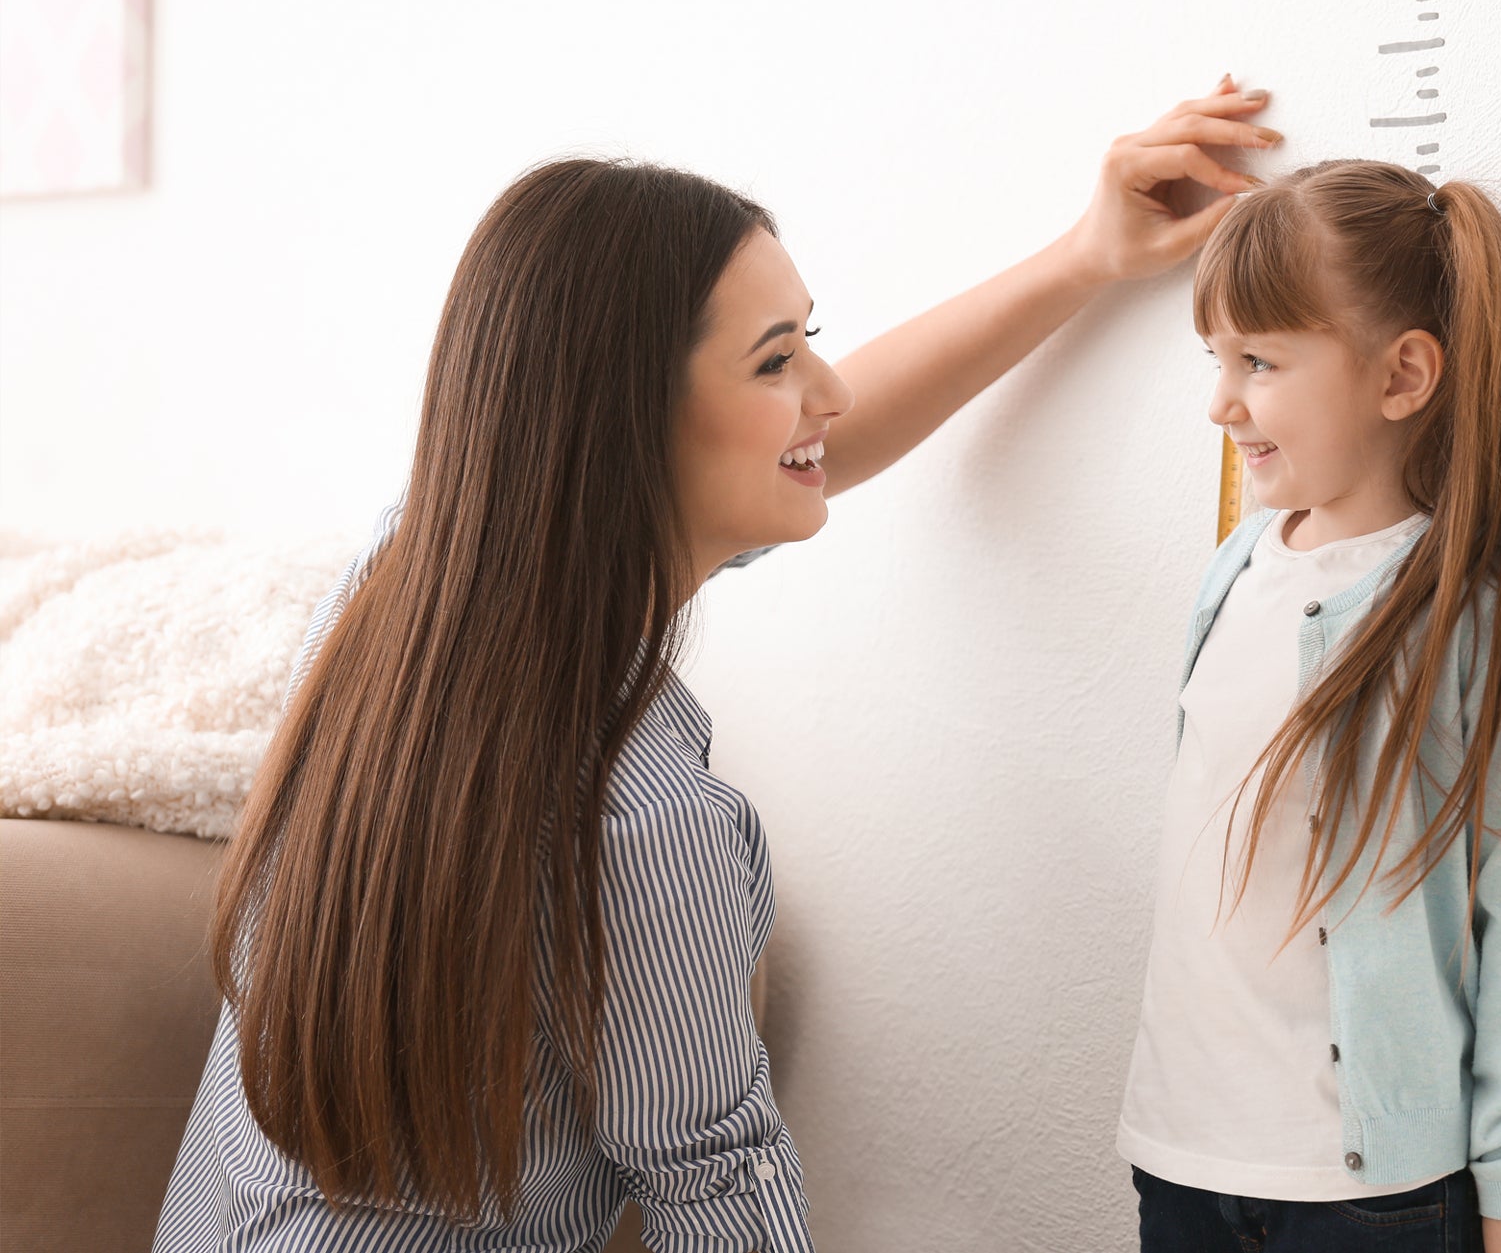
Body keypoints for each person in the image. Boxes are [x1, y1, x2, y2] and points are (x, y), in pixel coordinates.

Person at [153, 78, 1282, 1253]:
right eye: (776, 361)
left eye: (813, 342)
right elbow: (722, 1202)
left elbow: (812, 439)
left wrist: (1082, 260)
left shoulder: (404, 589)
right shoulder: (648, 820)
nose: (826, 395)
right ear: (628, 425)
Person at [1116, 160, 1501, 1253]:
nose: (1220, 401)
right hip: (1182, 1156)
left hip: (1372, 1198)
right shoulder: (1235, 568)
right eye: (1216, 358)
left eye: (1259, 361)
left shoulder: (1490, 608)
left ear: (1403, 376)